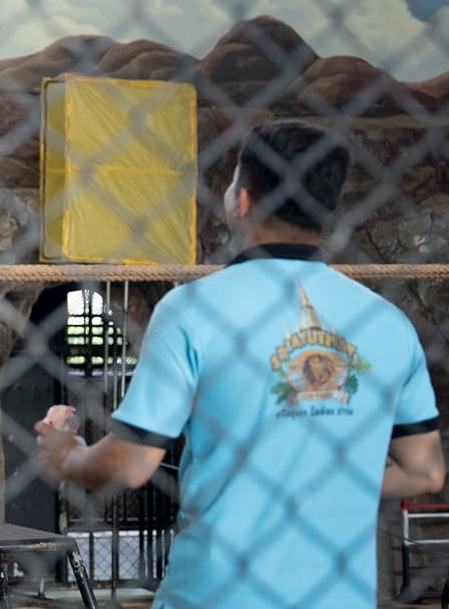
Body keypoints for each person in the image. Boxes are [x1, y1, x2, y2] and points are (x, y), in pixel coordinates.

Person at [36, 120, 445, 608]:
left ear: (241, 200)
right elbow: (425, 474)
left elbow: (130, 463)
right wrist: (319, 474)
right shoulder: (386, 321)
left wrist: (68, 455)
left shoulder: (193, 309)